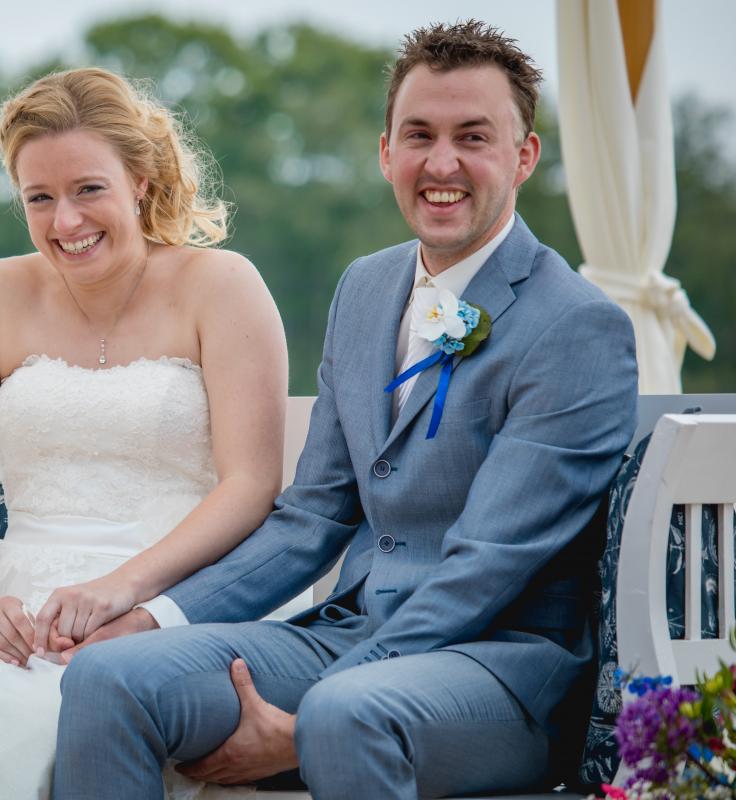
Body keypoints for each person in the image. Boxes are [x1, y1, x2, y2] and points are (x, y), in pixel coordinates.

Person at [53, 20, 639, 800]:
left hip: (501, 674)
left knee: (343, 714)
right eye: (419, 134)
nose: (441, 163)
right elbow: (313, 518)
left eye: (474, 137)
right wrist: (159, 616)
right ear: (385, 152)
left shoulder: (577, 328)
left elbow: (484, 568)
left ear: (524, 156)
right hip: (347, 638)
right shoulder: (365, 289)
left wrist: (300, 726)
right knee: (109, 676)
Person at [0, 67, 287, 800]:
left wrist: (122, 592)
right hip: (17, 605)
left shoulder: (221, 286)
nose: (65, 222)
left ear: (140, 179)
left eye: (88, 189)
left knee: (68, 719)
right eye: (39, 198)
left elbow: (252, 484)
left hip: (177, 597)